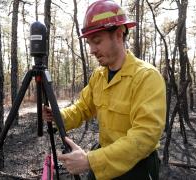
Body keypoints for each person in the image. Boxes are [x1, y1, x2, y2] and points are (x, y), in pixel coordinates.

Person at [43, 0, 166, 179]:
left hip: (137, 166)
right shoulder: (98, 76)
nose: (92, 50)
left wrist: (90, 161)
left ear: (118, 34)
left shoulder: (146, 77)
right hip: (104, 157)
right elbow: (82, 108)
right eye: (89, 44)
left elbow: (145, 136)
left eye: (97, 41)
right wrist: (58, 116)